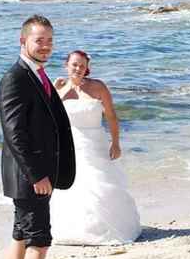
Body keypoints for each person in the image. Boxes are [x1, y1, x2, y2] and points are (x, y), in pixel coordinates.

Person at [0, 15, 76, 259]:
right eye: (39, 40)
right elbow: (15, 134)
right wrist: (36, 175)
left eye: (50, 41)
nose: (45, 46)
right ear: (23, 41)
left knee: (21, 237)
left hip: (33, 174)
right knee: (38, 242)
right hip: (30, 177)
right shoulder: (15, 78)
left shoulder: (38, 76)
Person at [50, 50, 141, 245]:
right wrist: (57, 91)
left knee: (100, 182)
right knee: (72, 185)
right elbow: (48, 118)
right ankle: (74, 229)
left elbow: (111, 116)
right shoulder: (59, 89)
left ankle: (107, 229)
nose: (78, 69)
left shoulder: (98, 87)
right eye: (74, 64)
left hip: (95, 143)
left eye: (82, 66)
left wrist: (115, 142)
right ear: (66, 65)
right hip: (70, 145)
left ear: (87, 68)